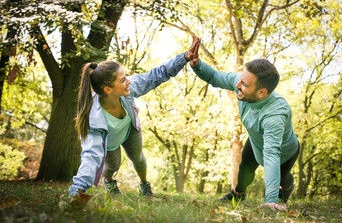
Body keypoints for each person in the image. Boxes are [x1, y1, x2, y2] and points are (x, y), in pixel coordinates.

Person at [68, 37, 201, 198]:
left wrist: (184, 58)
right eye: (123, 80)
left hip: (129, 129)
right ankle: (108, 181)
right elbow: (91, 155)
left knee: (138, 158)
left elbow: (156, 75)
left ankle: (144, 184)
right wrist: (78, 187)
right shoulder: (93, 117)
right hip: (109, 142)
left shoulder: (127, 90)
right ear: (108, 89)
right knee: (112, 166)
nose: (128, 82)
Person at [189, 45, 299, 211]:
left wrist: (270, 199)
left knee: (283, 178)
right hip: (256, 139)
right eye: (240, 79)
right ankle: (238, 194)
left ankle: (286, 190)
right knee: (244, 170)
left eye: (244, 84)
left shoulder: (275, 115)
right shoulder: (242, 83)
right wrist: (197, 65)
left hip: (283, 150)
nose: (237, 85)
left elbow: (271, 154)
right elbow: (216, 77)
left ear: (261, 92)